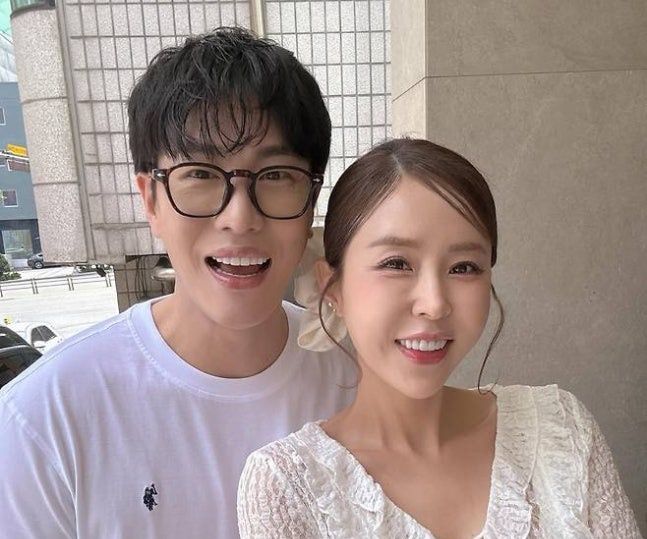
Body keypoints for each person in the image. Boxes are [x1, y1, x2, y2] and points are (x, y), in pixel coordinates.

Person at [0, 28, 355, 538]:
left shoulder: (357, 378)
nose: (239, 218)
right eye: (201, 174)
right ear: (151, 200)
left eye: (276, 175)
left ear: (312, 199)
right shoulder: (43, 421)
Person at [237, 138, 642, 538]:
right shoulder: (290, 487)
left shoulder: (561, 431)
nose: (434, 304)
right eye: (397, 263)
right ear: (333, 287)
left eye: (464, 267)